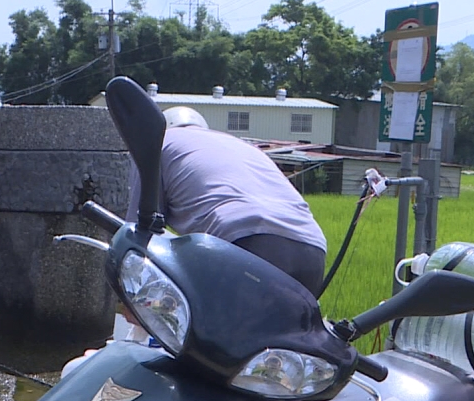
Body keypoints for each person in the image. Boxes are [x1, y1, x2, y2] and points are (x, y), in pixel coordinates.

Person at [127, 106, 328, 296]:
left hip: (245, 245)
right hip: (312, 251)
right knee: (287, 332)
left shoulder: (156, 144)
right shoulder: (240, 145)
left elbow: (139, 234)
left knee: (201, 327)